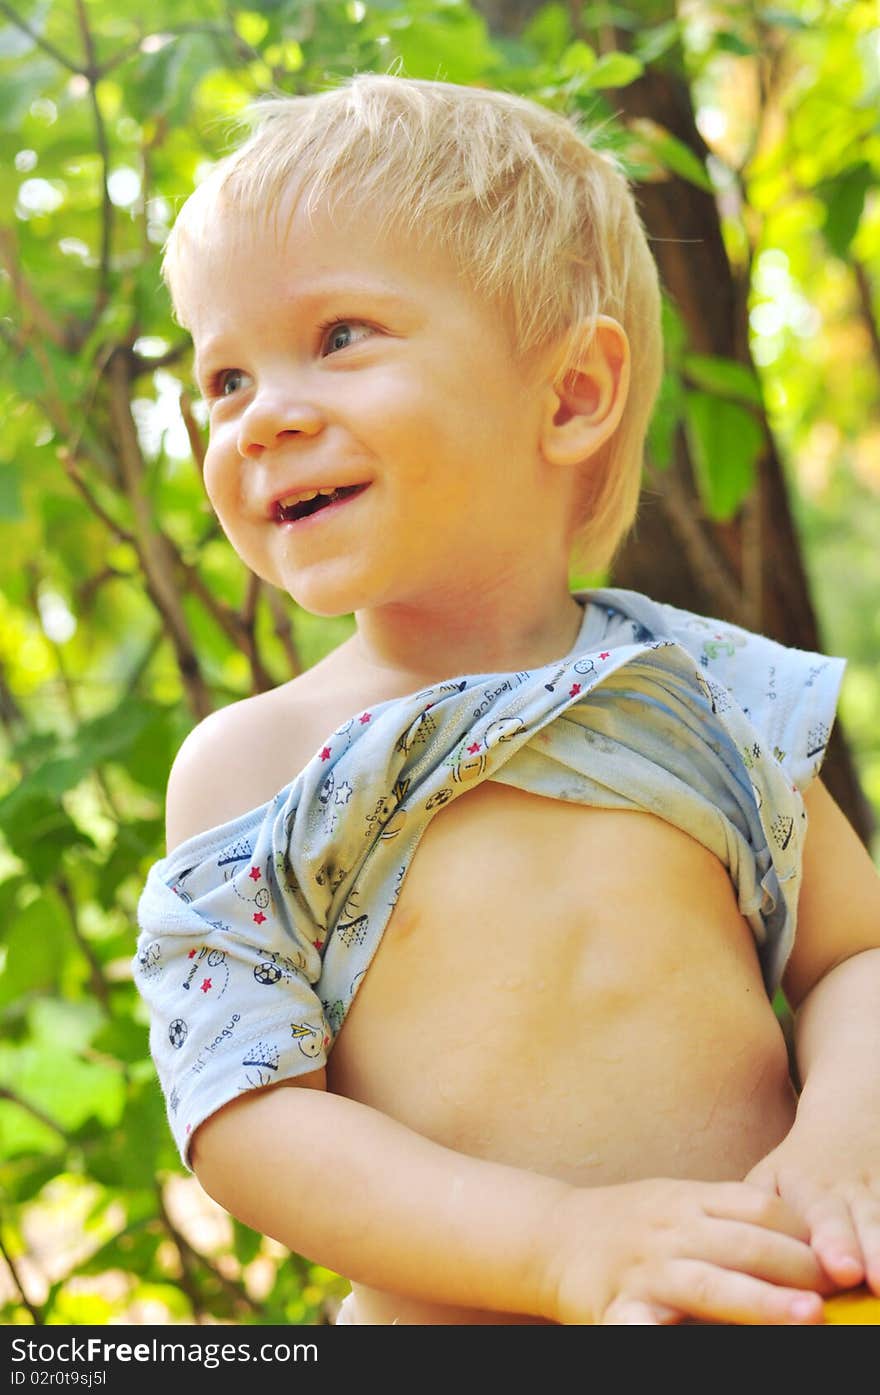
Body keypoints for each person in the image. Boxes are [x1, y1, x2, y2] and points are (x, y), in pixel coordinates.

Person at [134, 74, 880, 1326]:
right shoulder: (253, 764)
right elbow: (245, 1114)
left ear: (572, 394)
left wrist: (841, 1147)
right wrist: (557, 1243)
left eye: (336, 338)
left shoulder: (708, 692)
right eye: (224, 381)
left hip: (771, 1306)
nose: (258, 421)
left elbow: (855, 955)